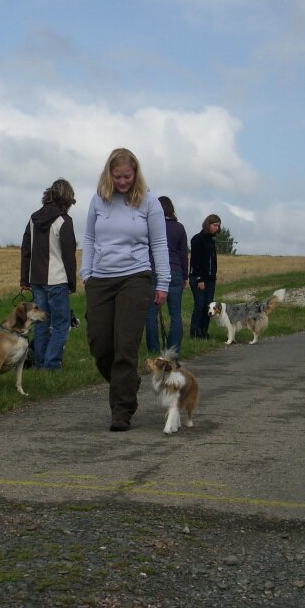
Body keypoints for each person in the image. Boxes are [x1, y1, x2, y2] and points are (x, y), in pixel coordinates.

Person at [82, 148, 170, 432]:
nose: (122, 182)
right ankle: (128, 382)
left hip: (135, 277)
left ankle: (122, 410)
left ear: (135, 174)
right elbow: (89, 237)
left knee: (125, 345)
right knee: (99, 344)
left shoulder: (149, 202)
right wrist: (86, 273)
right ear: (109, 174)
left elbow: (159, 244)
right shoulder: (99, 199)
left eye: (127, 177)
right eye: (117, 177)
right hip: (100, 279)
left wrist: (163, 282)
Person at [20, 179, 78, 370]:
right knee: (61, 325)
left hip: (36, 280)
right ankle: (51, 365)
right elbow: (69, 255)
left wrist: (24, 280)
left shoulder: (33, 219)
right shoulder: (64, 221)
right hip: (58, 280)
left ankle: (40, 363)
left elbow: (26, 250)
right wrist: (72, 283)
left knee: (41, 324)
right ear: (67, 199)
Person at [144, 196, 189, 354]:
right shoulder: (179, 228)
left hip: (155, 271)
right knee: (176, 314)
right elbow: (183, 254)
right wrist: (185, 276)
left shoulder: (150, 226)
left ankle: (154, 350)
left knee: (151, 314)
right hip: (175, 272)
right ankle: (173, 351)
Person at [189, 214, 221, 339]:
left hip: (210, 279)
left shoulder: (211, 241)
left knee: (209, 306)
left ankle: (203, 332)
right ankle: (195, 332)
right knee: (200, 305)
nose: (217, 228)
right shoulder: (197, 239)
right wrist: (199, 279)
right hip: (199, 278)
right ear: (208, 224)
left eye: (218, 226)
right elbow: (195, 261)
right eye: (214, 225)